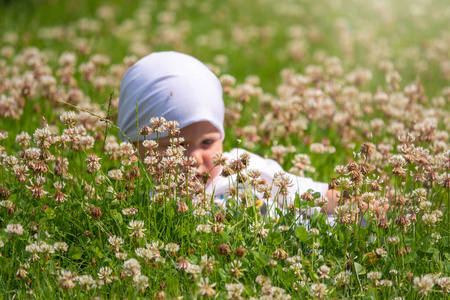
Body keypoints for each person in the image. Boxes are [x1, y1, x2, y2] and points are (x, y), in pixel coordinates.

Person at [117, 51, 339, 220]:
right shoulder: (145, 206)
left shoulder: (244, 168)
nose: (193, 158)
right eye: (176, 146)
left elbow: (312, 194)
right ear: (137, 147)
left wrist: (358, 205)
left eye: (207, 142)